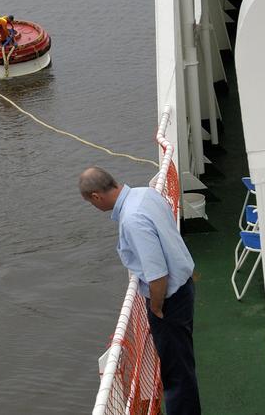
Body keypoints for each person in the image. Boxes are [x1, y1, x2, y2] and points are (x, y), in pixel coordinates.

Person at [79, 166, 201, 415]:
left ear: (96, 197)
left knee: (175, 372)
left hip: (170, 301)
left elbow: (157, 275)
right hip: (184, 286)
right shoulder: (147, 195)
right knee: (183, 364)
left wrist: (155, 307)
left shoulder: (132, 219)